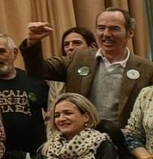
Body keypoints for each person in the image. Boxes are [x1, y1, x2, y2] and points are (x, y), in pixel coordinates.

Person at [22, 9, 151, 132]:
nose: (106, 34)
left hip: (127, 143)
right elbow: (37, 72)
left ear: (130, 32)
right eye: (101, 28)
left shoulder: (146, 69)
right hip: (83, 140)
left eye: (114, 29)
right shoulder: (79, 58)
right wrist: (33, 42)